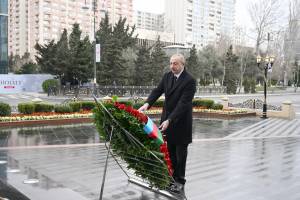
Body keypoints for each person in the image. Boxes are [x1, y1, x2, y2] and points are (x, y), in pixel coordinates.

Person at [138, 53, 196, 194]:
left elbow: (183, 104)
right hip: (167, 121)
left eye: (175, 63)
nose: (172, 66)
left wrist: (170, 120)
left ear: (182, 64)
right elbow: (157, 91)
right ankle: (170, 179)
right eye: (170, 63)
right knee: (169, 152)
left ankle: (179, 181)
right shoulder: (167, 76)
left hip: (181, 122)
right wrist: (147, 104)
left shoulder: (190, 81)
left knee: (181, 153)